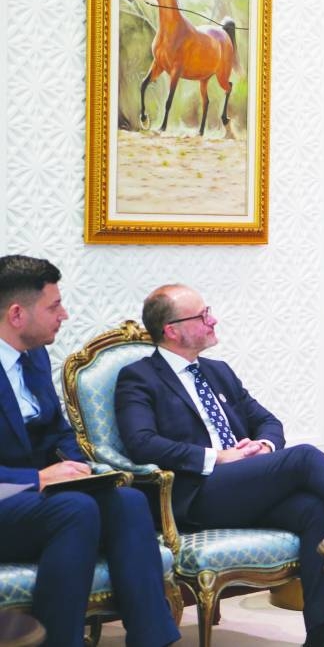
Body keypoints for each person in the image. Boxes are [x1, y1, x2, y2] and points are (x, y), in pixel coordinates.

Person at [114, 284, 324, 647]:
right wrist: (216, 457)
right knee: (306, 457)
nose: (213, 320)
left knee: (313, 508)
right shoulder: (139, 377)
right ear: (172, 330)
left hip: (241, 487)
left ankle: (319, 637)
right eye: (202, 315)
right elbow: (141, 442)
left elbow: (268, 421)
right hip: (195, 495)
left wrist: (263, 445)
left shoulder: (218, 372)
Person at [0, 255, 180, 647]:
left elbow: (57, 430)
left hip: (38, 497)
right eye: (54, 306)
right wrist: (37, 478)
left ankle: (153, 639)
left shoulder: (34, 354)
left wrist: (82, 469)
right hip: (7, 494)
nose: (64, 315)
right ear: (16, 314)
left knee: (129, 501)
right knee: (75, 509)